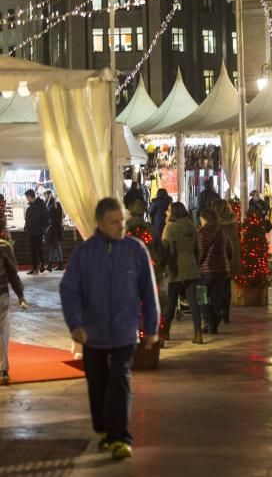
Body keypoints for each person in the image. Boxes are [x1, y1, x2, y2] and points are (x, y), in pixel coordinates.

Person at [60, 197, 160, 461]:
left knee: (120, 381)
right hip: (93, 333)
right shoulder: (85, 253)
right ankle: (104, 429)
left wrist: (150, 327)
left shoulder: (136, 250)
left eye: (122, 221)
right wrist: (75, 324)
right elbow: (69, 290)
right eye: (114, 222)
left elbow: (148, 291)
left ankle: (119, 437)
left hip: (125, 331)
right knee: (97, 383)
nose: (120, 226)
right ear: (101, 223)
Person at [162, 202, 203, 344]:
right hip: (191, 268)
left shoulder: (171, 228)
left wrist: (166, 266)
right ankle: (198, 334)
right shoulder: (192, 226)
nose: (167, 212)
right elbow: (197, 249)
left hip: (176, 269)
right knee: (193, 303)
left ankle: (165, 332)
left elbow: (169, 251)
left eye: (169, 210)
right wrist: (196, 264)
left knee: (171, 303)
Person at [198, 208, 232, 334]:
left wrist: (198, 265)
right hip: (222, 270)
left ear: (205, 219)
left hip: (206, 271)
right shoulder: (222, 232)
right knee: (217, 298)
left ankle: (208, 322)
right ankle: (214, 324)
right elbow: (229, 251)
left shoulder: (202, 233)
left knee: (201, 297)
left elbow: (201, 253)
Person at [0, 229, 27, 385]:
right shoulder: (4, 246)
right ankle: (3, 369)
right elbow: (12, 273)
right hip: (2, 293)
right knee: (3, 330)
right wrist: (20, 295)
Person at [212, 199, 240, 323]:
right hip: (230, 259)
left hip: (217, 261)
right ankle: (226, 314)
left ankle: (217, 313)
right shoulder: (232, 223)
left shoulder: (215, 225)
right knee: (226, 287)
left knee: (217, 288)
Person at [24, 189, 49, 275]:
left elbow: (46, 217)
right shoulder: (29, 207)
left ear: (30, 196)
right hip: (31, 232)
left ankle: (42, 264)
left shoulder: (41, 204)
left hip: (39, 232)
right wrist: (26, 226)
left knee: (39, 249)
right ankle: (34, 268)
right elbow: (28, 219)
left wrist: (43, 228)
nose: (27, 199)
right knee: (32, 251)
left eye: (27, 197)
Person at [44, 190, 64, 272]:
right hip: (57, 228)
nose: (44, 197)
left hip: (53, 228)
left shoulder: (49, 205)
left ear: (47, 195)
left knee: (54, 246)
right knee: (56, 246)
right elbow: (63, 216)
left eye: (45, 195)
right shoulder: (57, 204)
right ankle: (60, 264)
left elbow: (47, 217)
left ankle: (50, 264)